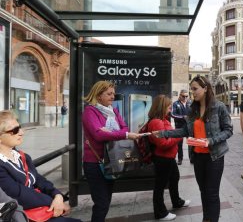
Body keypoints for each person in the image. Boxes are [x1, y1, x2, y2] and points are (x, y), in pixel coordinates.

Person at [153, 76, 233, 222]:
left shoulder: (219, 107)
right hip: (198, 157)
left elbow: (228, 130)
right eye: (191, 90)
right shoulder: (192, 110)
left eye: (195, 89)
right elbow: (184, 131)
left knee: (212, 193)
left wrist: (211, 140)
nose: (192, 93)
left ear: (205, 88)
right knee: (203, 192)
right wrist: (164, 133)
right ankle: (206, 219)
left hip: (214, 157)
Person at [0, 110, 81, 222]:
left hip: (41, 210)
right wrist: (54, 202)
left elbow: (39, 180)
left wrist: (57, 195)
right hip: (22, 216)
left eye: (19, 127)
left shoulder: (22, 156)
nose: (21, 132)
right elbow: (19, 194)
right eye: (14, 130)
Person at [82, 81, 140, 222]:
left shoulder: (113, 110)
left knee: (106, 201)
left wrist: (111, 132)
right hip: (95, 163)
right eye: (109, 93)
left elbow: (124, 127)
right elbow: (98, 135)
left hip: (111, 161)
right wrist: (121, 134)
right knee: (101, 203)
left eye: (113, 93)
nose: (113, 96)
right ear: (98, 95)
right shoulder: (90, 111)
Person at [147, 95, 190, 221]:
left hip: (169, 158)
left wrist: (175, 134)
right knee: (160, 185)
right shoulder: (156, 122)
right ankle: (160, 213)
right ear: (161, 107)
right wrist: (179, 136)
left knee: (174, 178)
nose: (170, 109)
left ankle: (177, 201)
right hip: (162, 158)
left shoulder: (162, 119)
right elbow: (163, 143)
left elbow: (169, 135)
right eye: (168, 107)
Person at [171, 89, 191, 165]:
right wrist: (183, 117)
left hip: (189, 127)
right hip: (179, 127)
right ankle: (180, 159)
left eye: (187, 96)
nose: (185, 98)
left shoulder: (190, 103)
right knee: (179, 144)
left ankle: (192, 158)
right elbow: (173, 114)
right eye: (183, 96)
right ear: (180, 96)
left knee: (191, 143)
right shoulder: (175, 104)